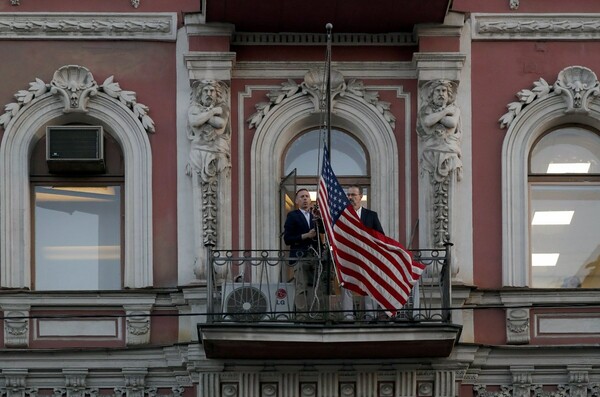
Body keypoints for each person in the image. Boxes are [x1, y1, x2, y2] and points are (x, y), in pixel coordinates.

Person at [342, 185, 385, 322]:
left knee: (368, 285)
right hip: (348, 257)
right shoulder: (342, 215)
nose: (350, 198)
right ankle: (347, 316)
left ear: (361, 197)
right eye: (348, 195)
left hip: (367, 258)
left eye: (353, 195)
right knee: (346, 285)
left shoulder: (371, 215)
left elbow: (380, 236)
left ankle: (369, 316)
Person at [283, 188, 324, 319]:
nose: (305, 198)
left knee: (316, 287)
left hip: (315, 256)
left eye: (307, 196)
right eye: (302, 196)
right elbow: (287, 239)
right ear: (296, 201)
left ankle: (316, 314)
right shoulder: (293, 216)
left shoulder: (315, 215)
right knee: (301, 286)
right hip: (300, 256)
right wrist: (306, 235)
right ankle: (302, 316)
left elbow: (324, 231)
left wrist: (320, 218)